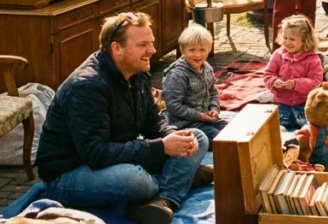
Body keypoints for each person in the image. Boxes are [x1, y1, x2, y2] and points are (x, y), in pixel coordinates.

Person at [36, 13, 210, 224]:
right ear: (116, 48)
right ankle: (180, 178)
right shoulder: (87, 86)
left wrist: (173, 136)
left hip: (115, 156)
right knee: (134, 180)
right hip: (69, 173)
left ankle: (164, 200)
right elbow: (96, 153)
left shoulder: (137, 71)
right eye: (143, 44)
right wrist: (162, 147)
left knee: (197, 137)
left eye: (151, 43)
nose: (152, 51)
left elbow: (153, 120)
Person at [162, 25, 229, 141]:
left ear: (209, 49)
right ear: (183, 50)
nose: (198, 55)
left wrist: (214, 109)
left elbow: (213, 91)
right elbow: (173, 106)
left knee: (232, 130)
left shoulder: (207, 68)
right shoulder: (177, 75)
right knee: (220, 140)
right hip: (185, 124)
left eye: (202, 50)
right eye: (192, 50)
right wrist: (201, 117)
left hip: (207, 118)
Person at [263, 15, 324, 130]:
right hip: (281, 104)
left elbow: (316, 81)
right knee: (273, 128)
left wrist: (295, 84)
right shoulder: (278, 54)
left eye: (292, 39)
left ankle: (303, 141)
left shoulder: (312, 59)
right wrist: (274, 81)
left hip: (304, 105)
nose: (287, 42)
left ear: (305, 40)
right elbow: (268, 74)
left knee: (313, 128)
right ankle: (285, 140)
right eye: (285, 38)